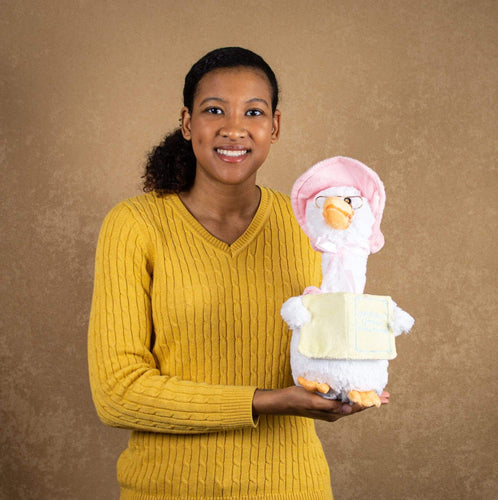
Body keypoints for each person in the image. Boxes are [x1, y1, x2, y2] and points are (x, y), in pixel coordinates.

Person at [88, 47, 368, 500]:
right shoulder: (134, 225)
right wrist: (265, 401)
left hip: (294, 488)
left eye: (253, 112)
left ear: (274, 126)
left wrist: (349, 383)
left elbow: (329, 345)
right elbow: (118, 393)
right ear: (187, 123)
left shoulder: (310, 224)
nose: (234, 128)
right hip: (165, 490)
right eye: (214, 110)